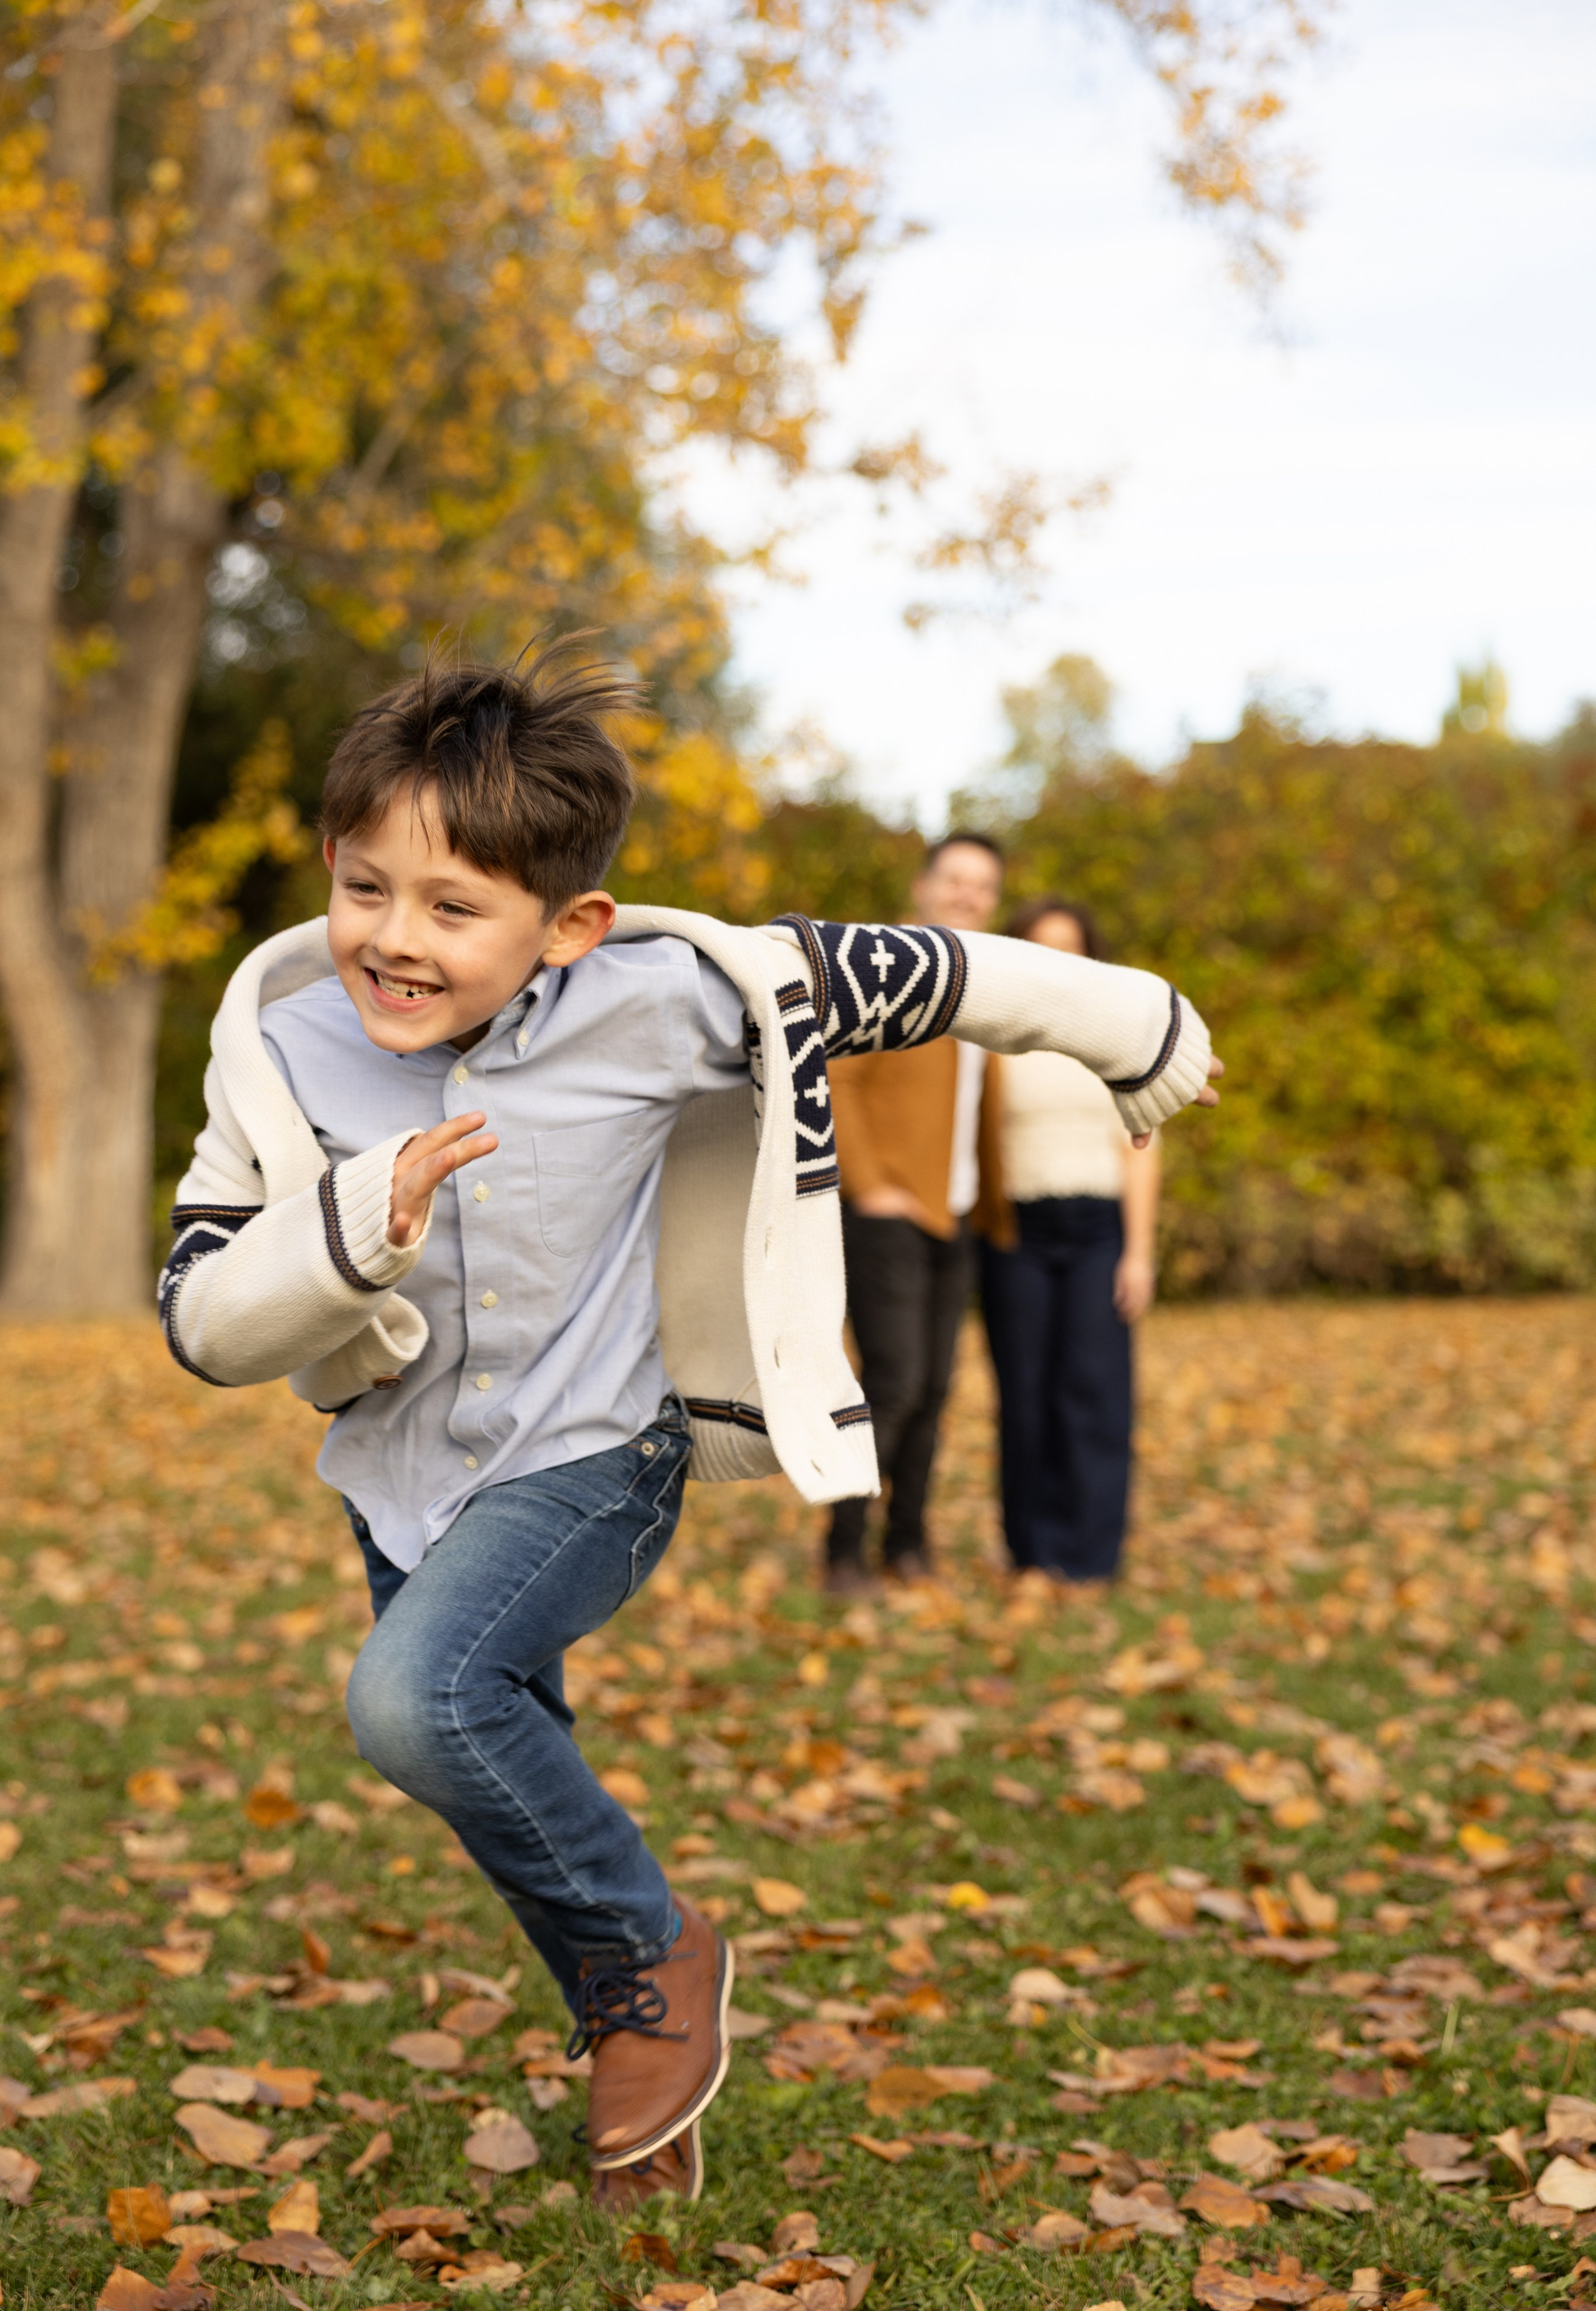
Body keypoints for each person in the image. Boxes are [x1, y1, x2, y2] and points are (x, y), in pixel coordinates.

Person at [159, 657, 1219, 2211]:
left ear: (566, 924)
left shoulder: (663, 996)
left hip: (597, 1451)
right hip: (397, 1479)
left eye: (453, 908)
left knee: (417, 1699)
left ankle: (658, 1954)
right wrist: (335, 1238)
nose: (394, 936)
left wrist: (1120, 1021)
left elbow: (909, 973)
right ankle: (645, 2066)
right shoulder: (276, 1044)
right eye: (365, 884)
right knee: (507, 1761)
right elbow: (195, 1309)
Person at [822, 834, 1004, 1593]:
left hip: (953, 1215)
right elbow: (836, 1074)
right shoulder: (890, 967)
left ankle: (907, 1543)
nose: (967, 894)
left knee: (933, 1390)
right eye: (954, 879)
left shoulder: (988, 985)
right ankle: (843, 1548)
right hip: (888, 1213)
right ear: (924, 886)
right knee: (892, 1385)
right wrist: (867, 1186)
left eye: (982, 885)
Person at [976, 896, 1161, 1588]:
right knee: (1023, 1393)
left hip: (1097, 1231)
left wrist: (1138, 1253)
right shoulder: (991, 1038)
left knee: (1095, 1391)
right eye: (1041, 946)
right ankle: (1031, 1550)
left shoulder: (1119, 1037)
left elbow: (1142, 1149)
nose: (1058, 960)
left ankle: (1089, 1554)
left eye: (1071, 948)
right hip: (1016, 1231)